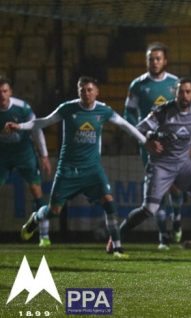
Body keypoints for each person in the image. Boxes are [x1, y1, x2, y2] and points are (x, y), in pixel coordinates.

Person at [3, 76, 159, 258]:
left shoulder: (103, 111)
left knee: (109, 204)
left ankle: (117, 247)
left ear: (96, 92)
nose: (86, 94)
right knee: (54, 211)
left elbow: (125, 125)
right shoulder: (68, 109)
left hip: (93, 169)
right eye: (82, 90)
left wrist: (144, 141)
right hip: (68, 170)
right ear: (78, 92)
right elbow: (43, 121)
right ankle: (35, 218)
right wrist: (20, 126)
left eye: (90, 90)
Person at [116, 78, 191, 253]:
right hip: (161, 165)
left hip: (183, 165)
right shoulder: (163, 112)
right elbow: (138, 130)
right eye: (180, 91)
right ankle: (115, 238)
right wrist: (151, 138)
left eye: (187, 91)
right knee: (149, 209)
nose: (184, 95)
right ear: (174, 93)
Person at [124, 42, 183, 249]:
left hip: (173, 142)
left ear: (165, 61)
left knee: (175, 187)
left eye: (158, 58)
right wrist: (140, 135)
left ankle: (176, 219)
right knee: (158, 188)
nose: (154, 62)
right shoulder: (138, 85)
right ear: (146, 61)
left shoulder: (175, 83)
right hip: (150, 143)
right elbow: (128, 113)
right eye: (151, 58)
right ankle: (163, 237)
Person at [0, 76, 52, 247]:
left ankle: (44, 236)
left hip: (25, 154)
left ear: (10, 92)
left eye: (5, 91)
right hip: (3, 156)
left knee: (36, 190)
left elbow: (37, 128)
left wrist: (44, 155)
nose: (2, 95)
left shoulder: (22, 108)